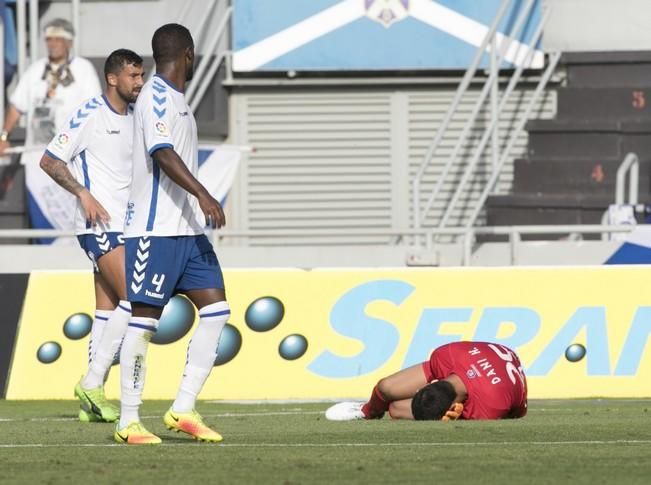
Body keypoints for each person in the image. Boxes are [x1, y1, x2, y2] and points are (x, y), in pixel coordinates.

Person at [115, 23, 229, 445]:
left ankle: (182, 408)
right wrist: (204, 194)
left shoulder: (177, 99)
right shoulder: (157, 96)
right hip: (155, 232)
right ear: (189, 54)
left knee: (217, 314)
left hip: (188, 234)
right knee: (143, 322)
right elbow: (162, 153)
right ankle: (128, 420)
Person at [39, 49, 145, 422]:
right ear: (113, 78)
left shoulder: (138, 117)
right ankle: (92, 382)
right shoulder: (90, 113)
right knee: (136, 300)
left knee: (107, 312)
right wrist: (83, 194)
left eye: (142, 75)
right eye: (133, 76)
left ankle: (90, 402)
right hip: (99, 225)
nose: (139, 82)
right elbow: (50, 160)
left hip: (128, 226)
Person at [0, 18, 100, 240]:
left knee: (71, 215)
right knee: (42, 217)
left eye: (58, 38)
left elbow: (94, 110)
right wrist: (4, 135)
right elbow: (17, 106)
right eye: (49, 39)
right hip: (37, 159)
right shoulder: (36, 70)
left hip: (69, 160)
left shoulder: (83, 70)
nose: (52, 43)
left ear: (69, 41)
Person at [325, 341, 528, 421]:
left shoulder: (490, 406)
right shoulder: (445, 355)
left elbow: (513, 415)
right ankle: (368, 411)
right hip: (474, 359)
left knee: (395, 409)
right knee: (386, 387)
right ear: (433, 382)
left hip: (501, 387)